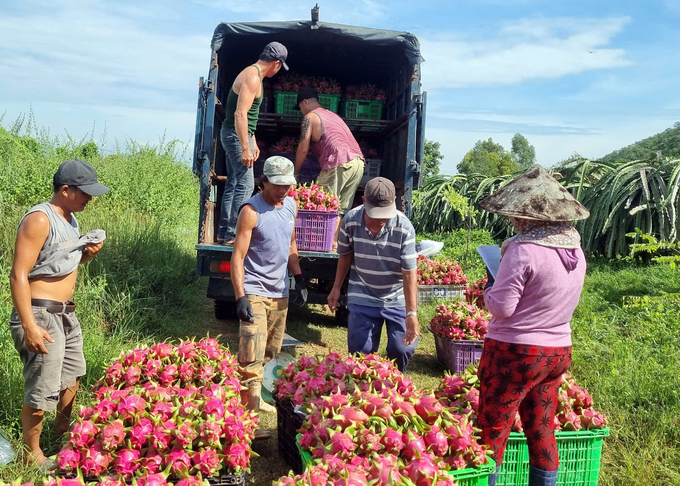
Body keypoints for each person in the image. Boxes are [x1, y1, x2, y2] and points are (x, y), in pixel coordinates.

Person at [476, 165, 591, 486]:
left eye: (516, 216)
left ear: (527, 217)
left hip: (515, 353)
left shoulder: (523, 249)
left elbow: (503, 307)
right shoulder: (575, 249)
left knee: (492, 427)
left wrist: (488, 288)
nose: (513, 221)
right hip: (556, 353)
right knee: (541, 426)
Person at [9, 159, 110, 472]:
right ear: (65, 190)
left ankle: (62, 436)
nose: (89, 198)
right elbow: (18, 275)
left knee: (72, 376)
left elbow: (56, 267)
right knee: (42, 388)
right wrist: (30, 326)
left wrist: (86, 257)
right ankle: (32, 454)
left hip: (66, 314)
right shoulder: (40, 219)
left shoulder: (71, 219)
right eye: (84, 192)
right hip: (41, 315)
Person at [230, 156, 308, 439]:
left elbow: (290, 243)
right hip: (255, 291)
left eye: (287, 184)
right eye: (277, 185)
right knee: (250, 358)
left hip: (280, 293)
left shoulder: (291, 205)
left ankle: (255, 400)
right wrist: (240, 296)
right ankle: (248, 425)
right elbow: (238, 256)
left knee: (270, 353)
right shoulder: (251, 210)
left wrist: (298, 277)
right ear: (264, 181)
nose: (283, 190)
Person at [327, 177, 419, 372]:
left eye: (385, 214)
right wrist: (336, 288)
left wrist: (411, 313)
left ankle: (394, 384)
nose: (381, 219)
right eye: (376, 214)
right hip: (362, 291)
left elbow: (410, 273)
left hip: (396, 295)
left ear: (394, 201)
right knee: (361, 353)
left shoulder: (404, 227)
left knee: (401, 348)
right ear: (364, 201)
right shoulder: (351, 220)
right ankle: (364, 393)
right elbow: (345, 256)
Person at [217, 41, 289, 245]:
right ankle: (235, 233)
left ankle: (225, 231)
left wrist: (253, 140)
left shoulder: (252, 74)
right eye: (279, 67)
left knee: (233, 182)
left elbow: (248, 115)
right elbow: (240, 114)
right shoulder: (253, 77)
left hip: (236, 133)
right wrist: (245, 147)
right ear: (276, 63)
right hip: (235, 134)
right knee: (246, 183)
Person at [294, 87, 365, 249]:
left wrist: (295, 173)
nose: (300, 112)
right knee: (338, 208)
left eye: (300, 108)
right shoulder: (333, 115)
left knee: (321, 204)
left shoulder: (310, 117)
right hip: (358, 162)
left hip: (339, 161)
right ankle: (332, 243)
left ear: (305, 102)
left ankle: (316, 244)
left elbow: (303, 148)